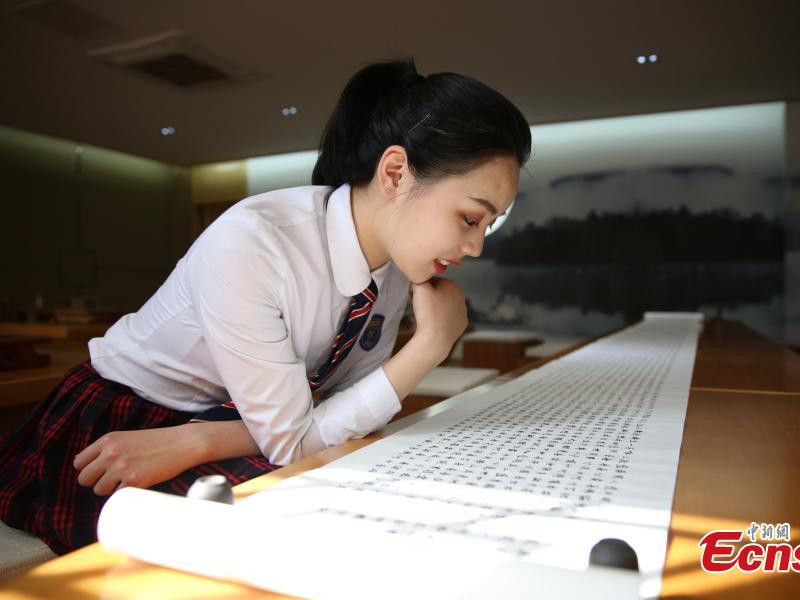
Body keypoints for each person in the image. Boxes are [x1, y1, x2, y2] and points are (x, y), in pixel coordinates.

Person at [0, 57, 532, 554]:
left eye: (488, 225)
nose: (476, 247)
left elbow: (341, 409)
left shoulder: (394, 270)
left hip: (228, 427)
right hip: (128, 416)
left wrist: (202, 440)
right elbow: (299, 440)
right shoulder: (255, 242)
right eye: (470, 218)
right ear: (395, 173)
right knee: (281, 526)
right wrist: (430, 345)